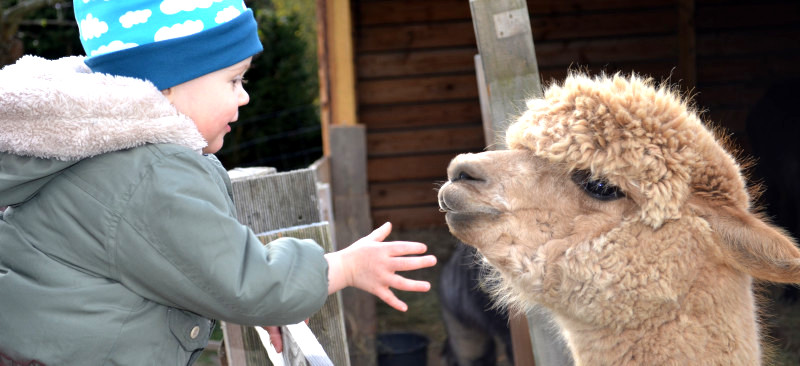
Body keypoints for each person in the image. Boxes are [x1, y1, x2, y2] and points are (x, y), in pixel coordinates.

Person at [0, 1, 436, 365]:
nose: (245, 95)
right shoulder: (152, 174)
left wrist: (250, 301)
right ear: (168, 83)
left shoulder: (114, 155)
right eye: (234, 79)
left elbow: (189, 269)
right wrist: (345, 267)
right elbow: (249, 284)